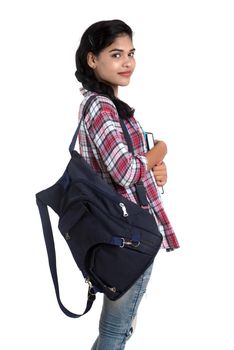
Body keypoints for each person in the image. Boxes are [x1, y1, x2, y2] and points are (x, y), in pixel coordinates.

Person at [74, 19, 180, 350]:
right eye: (116, 54)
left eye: (131, 53)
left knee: (114, 330)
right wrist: (161, 149)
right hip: (129, 238)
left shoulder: (103, 105)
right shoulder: (102, 106)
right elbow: (124, 172)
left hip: (119, 234)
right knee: (117, 331)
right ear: (93, 60)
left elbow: (130, 168)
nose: (127, 63)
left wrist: (155, 169)